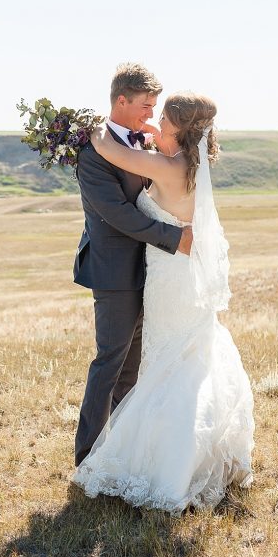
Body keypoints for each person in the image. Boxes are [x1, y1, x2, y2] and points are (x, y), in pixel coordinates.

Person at [71, 90, 255, 514]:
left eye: (163, 120)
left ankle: (168, 464)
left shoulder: (164, 166)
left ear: (179, 131)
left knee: (165, 370)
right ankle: (190, 454)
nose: (156, 123)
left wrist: (90, 127)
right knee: (181, 365)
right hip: (176, 280)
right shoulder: (188, 165)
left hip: (168, 279)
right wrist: (155, 134)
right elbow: (156, 150)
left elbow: (104, 147)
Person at [72, 63, 193, 471]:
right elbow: (118, 214)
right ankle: (87, 458)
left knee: (133, 369)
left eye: (154, 106)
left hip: (151, 271)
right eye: (145, 105)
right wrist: (175, 238)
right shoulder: (93, 153)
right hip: (114, 273)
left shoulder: (141, 143)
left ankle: (120, 451)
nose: (149, 114)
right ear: (120, 101)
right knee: (110, 361)